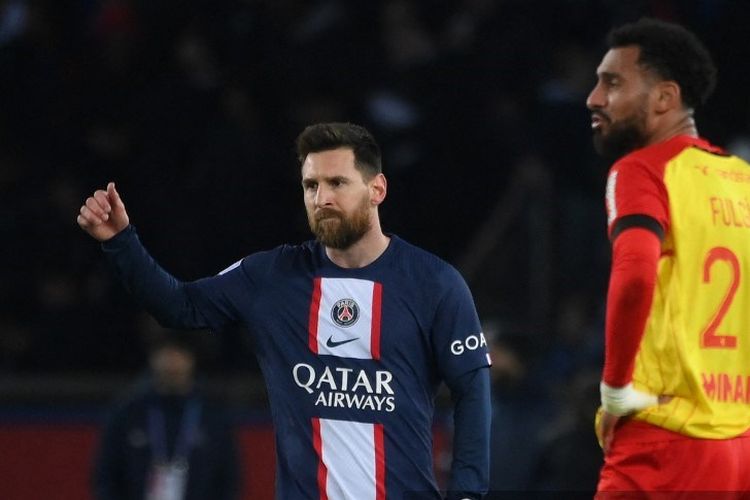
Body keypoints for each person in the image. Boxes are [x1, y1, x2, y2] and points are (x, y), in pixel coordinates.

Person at [77, 122, 492, 500]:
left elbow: (472, 388)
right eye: (311, 185)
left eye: (337, 183)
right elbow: (180, 307)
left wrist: (468, 492)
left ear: (377, 189)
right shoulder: (272, 277)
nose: (322, 198)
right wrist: (121, 242)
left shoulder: (434, 283)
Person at [587, 17, 750, 493]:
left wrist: (615, 391)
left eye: (612, 83)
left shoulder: (642, 170)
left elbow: (636, 274)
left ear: (664, 98)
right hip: (739, 445)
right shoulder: (742, 179)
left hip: (665, 438)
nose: (594, 98)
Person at [92, 335, 240, 500]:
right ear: (152, 358)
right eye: (165, 352)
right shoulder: (127, 413)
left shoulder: (212, 416)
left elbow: (228, 479)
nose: (172, 360)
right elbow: (106, 476)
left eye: (179, 352)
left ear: (192, 359)